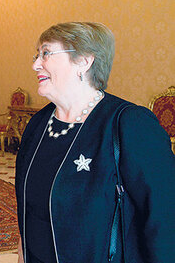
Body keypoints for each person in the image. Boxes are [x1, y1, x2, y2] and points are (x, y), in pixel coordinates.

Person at [15, 22, 175, 263]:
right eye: (37, 55)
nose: (35, 64)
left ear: (84, 61)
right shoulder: (38, 123)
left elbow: (164, 216)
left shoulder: (129, 123)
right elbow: (29, 208)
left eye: (46, 53)